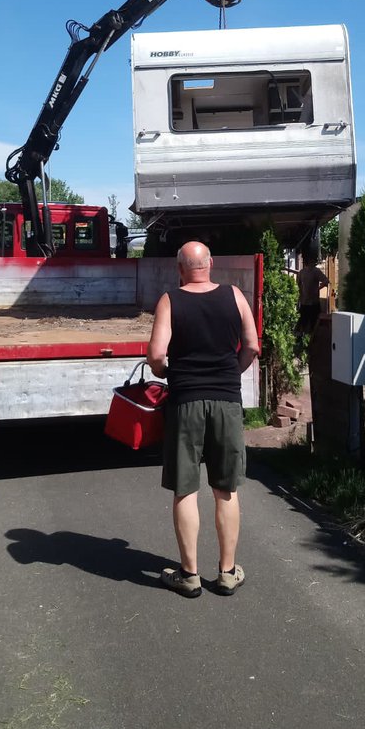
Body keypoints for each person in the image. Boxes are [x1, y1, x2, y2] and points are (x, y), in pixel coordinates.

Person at [146, 241, 260, 599]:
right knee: (225, 489)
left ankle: (189, 574)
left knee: (185, 488)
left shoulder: (170, 300)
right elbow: (253, 346)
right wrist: (231, 372)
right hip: (227, 401)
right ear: (209, 264)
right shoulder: (235, 296)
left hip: (186, 402)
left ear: (180, 268)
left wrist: (170, 372)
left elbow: (156, 356)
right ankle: (227, 573)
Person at [295, 253, 330, 337]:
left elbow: (298, 285)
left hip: (307, 301)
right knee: (312, 324)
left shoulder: (303, 272)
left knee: (305, 323)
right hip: (311, 302)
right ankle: (310, 340)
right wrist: (316, 289)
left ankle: (304, 340)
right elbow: (326, 281)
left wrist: (301, 293)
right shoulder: (313, 271)